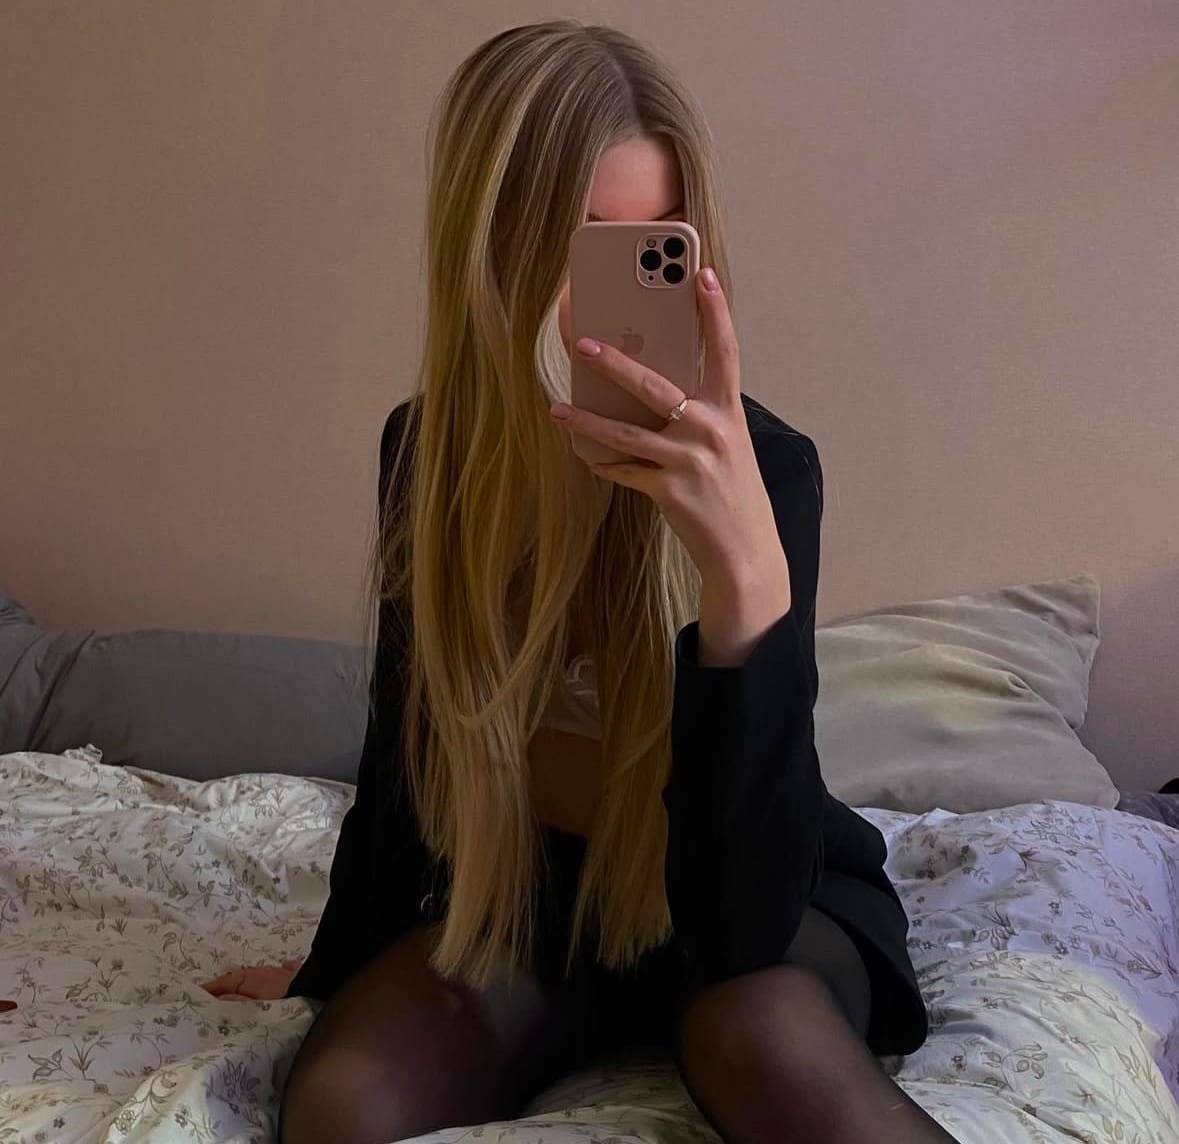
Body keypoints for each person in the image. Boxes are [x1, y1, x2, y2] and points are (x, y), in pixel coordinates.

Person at [201, 19, 957, 1144]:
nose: (625, 283)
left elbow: (744, 924)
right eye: (587, 242)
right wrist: (331, 969)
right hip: (531, 908)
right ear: (491, 242)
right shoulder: (429, 454)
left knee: (755, 1032)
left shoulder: (768, 470)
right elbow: (404, 760)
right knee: (345, 1103)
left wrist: (742, 577)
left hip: (749, 904)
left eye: (657, 241)